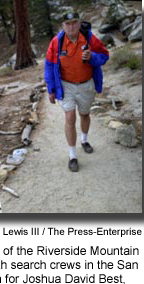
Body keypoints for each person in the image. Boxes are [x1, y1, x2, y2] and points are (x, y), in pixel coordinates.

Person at [44, 12, 109, 172]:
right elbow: (49, 66)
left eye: (74, 23)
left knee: (85, 114)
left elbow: (105, 55)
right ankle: (72, 155)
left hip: (87, 84)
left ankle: (84, 140)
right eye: (68, 23)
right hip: (66, 86)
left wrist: (92, 57)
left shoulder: (89, 38)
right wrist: (51, 89)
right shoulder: (56, 42)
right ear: (63, 26)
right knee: (70, 116)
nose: (71, 26)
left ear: (79, 24)